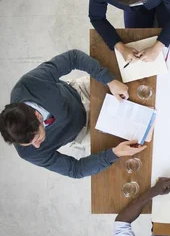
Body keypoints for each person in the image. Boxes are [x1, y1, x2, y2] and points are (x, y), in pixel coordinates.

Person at [0, 49, 143, 178]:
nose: (37, 146)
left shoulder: (30, 83)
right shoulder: (29, 152)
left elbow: (73, 57)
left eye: (36, 138)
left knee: (138, 87)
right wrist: (114, 153)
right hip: (84, 132)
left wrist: (110, 81)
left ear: (38, 116)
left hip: (81, 92)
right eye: (30, 143)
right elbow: (75, 169)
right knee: (139, 137)